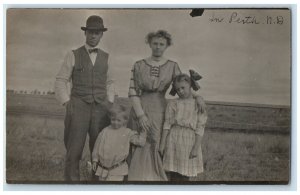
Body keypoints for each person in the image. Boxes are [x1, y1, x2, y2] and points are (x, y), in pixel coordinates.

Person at [127, 30, 206, 181]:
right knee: (138, 141)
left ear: (167, 46)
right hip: (139, 108)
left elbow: (183, 85)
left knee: (157, 142)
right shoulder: (138, 65)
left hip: (161, 109)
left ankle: (158, 180)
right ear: (150, 44)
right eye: (155, 43)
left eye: (161, 44)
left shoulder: (172, 65)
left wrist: (198, 97)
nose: (158, 47)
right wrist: (140, 115)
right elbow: (132, 92)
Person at [54, 15, 115, 181]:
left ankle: (97, 185)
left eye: (97, 33)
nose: (93, 36)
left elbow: (110, 82)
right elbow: (61, 80)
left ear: (102, 35)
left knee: (100, 150)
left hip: (101, 110)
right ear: (85, 33)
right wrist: (67, 102)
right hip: (78, 107)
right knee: (74, 150)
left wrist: (109, 103)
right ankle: (72, 186)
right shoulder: (73, 54)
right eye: (90, 32)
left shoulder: (107, 57)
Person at [159, 72, 208, 181]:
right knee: (173, 172)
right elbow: (167, 124)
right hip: (173, 139)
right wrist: (162, 144)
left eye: (183, 88)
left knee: (185, 173)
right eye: (177, 89)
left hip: (189, 141)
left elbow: (200, 127)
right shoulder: (173, 103)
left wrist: (195, 148)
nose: (180, 91)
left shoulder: (198, 104)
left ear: (190, 86)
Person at [92, 104, 146, 181]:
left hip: (117, 169)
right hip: (103, 169)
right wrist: (95, 160)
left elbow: (140, 142)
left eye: (119, 120)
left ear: (124, 120)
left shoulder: (127, 133)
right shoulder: (105, 131)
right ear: (110, 118)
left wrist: (143, 130)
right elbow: (97, 146)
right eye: (113, 120)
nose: (115, 122)